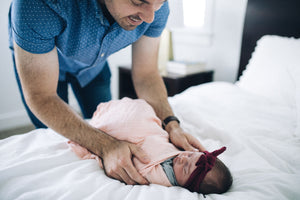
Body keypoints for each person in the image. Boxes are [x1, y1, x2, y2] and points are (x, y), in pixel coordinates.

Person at [8, 0, 206, 186]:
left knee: (110, 125)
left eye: (160, 3)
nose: (150, 17)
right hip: (41, 65)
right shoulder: (37, 5)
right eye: (138, 1)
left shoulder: (154, 9)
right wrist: (104, 145)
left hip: (93, 68)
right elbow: (42, 96)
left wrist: (171, 124)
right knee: (57, 143)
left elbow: (146, 75)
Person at [68, 98, 233, 194]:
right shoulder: (181, 155)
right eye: (190, 155)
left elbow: (134, 167)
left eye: (185, 169)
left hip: (131, 142)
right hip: (148, 130)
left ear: (188, 186)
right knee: (141, 109)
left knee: (127, 125)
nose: (183, 158)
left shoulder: (160, 178)